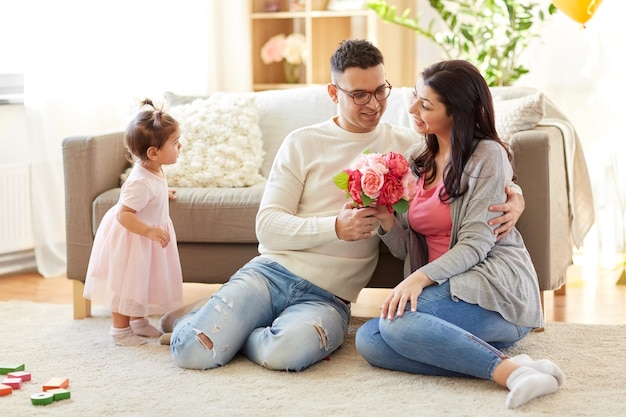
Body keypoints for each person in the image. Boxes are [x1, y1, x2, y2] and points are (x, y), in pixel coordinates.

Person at [167, 40, 524, 372]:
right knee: (193, 352)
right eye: (358, 95)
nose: (373, 104)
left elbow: (470, 161)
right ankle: (210, 322)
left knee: (284, 355)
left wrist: (515, 194)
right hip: (270, 274)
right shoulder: (302, 142)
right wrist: (334, 228)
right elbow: (268, 226)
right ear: (333, 92)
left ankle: (233, 328)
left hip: (329, 298)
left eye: (380, 90)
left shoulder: (408, 147)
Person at [354, 60, 565, 409]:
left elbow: (476, 244)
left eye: (425, 104)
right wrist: (387, 222)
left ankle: (511, 374)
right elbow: (410, 247)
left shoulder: (488, 156)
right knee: (370, 340)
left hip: (494, 290)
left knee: (394, 326)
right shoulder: (418, 161)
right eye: (414, 98)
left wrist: (418, 280)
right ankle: (516, 367)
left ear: (457, 113)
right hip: (446, 287)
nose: (411, 109)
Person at [83, 99, 183, 346]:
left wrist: (161, 195)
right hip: (133, 235)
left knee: (141, 280)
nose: (180, 145)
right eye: (175, 142)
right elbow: (124, 214)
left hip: (145, 235)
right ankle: (120, 331)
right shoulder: (140, 181)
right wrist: (148, 230)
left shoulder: (154, 168)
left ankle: (138, 321)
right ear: (153, 152)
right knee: (127, 283)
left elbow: (150, 191)